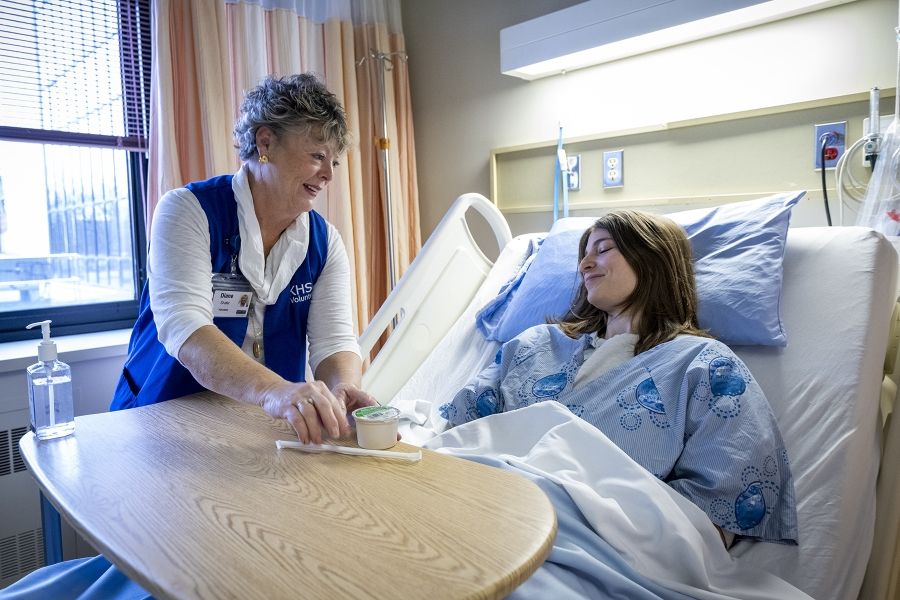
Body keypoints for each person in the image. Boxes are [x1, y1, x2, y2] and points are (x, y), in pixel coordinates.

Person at [439, 210, 798, 546]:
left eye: (604, 248)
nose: (584, 264)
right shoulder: (536, 343)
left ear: (652, 259)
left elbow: (719, 519)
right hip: (468, 501)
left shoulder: (704, 367)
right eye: (584, 253)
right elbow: (453, 430)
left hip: (577, 538)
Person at [111, 73, 376, 444]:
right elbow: (186, 328)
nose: (329, 174)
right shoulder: (188, 211)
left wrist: (342, 389)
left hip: (254, 430)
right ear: (265, 141)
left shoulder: (324, 242)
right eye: (317, 156)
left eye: (334, 161)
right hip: (162, 423)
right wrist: (275, 391)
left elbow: (334, 341)